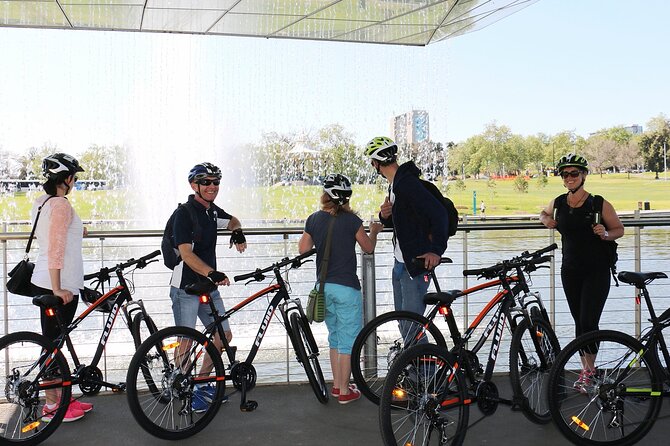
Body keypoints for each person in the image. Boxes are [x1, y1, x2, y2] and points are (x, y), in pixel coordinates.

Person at [539, 153, 624, 392]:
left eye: (574, 173)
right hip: (570, 270)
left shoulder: (598, 203)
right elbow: (543, 213)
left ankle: (589, 371)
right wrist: (545, 220)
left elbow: (619, 229)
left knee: (589, 321)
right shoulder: (558, 202)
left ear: (584, 175)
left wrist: (605, 234)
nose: (569, 178)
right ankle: (588, 370)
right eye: (565, 174)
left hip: (596, 270)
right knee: (579, 321)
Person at [169, 162, 247, 411]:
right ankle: (178, 387)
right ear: (194, 186)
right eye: (206, 182)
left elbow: (232, 219)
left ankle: (201, 384)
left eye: (216, 182)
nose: (212, 186)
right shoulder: (185, 213)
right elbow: (186, 254)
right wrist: (212, 272)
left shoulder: (211, 211)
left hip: (207, 286)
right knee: (186, 340)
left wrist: (238, 231)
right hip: (186, 287)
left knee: (223, 335)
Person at [298, 174, 382, 404]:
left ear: (325, 195)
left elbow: (303, 250)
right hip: (347, 288)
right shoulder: (352, 221)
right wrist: (373, 231)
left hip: (323, 288)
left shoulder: (314, 219)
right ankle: (345, 392)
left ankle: (337, 386)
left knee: (335, 337)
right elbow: (368, 248)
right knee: (348, 341)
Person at [30, 153, 92, 422]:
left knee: (52, 343)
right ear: (66, 179)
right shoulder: (62, 205)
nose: (74, 181)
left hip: (42, 278)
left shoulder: (42, 202)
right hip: (59, 283)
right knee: (54, 344)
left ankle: (57, 400)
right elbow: (56, 246)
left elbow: (54, 234)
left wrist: (79, 230)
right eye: (74, 177)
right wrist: (57, 289)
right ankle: (53, 407)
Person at [365, 136, 450, 325]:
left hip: (416, 265)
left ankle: (427, 355)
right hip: (401, 263)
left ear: (376, 163)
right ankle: (418, 355)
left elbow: (439, 214)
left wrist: (436, 250)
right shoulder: (395, 185)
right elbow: (405, 221)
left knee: (411, 326)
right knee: (404, 323)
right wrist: (384, 216)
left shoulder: (407, 184)